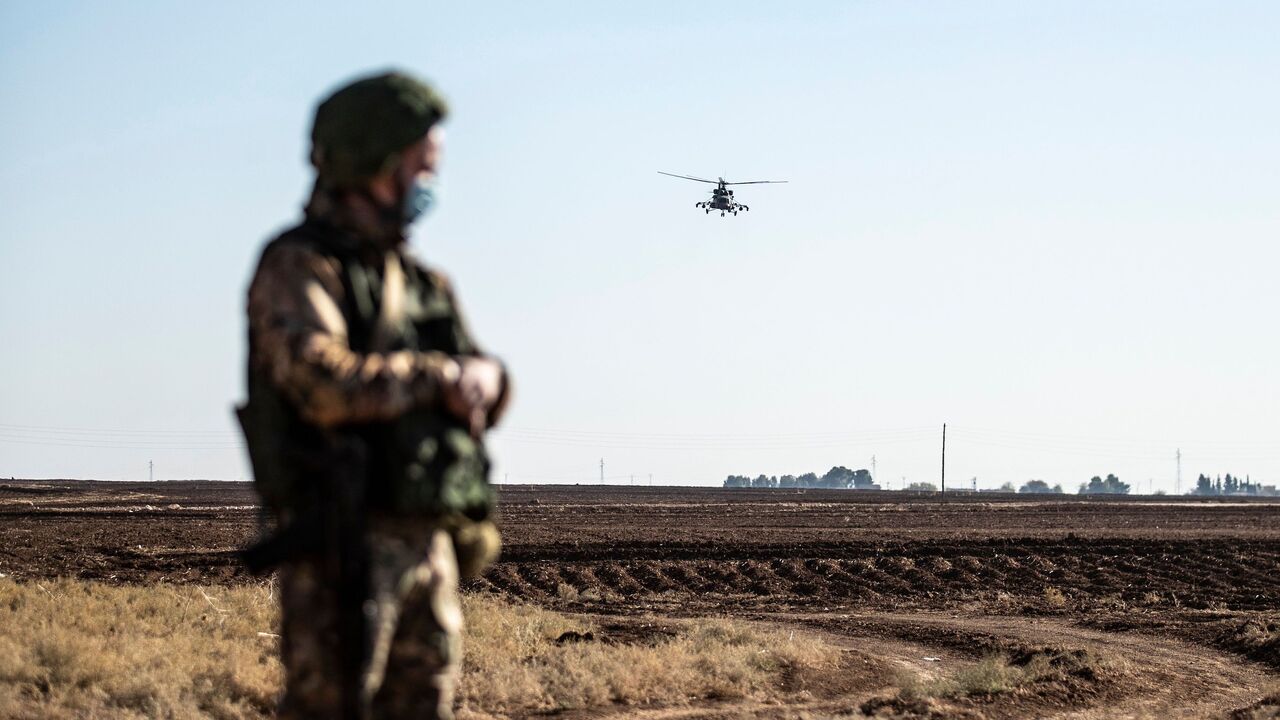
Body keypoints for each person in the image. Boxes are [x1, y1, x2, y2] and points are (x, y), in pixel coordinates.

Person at [238, 70, 509, 720]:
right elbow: (322, 384)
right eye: (420, 167)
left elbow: (480, 374)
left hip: (428, 545)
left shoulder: (422, 282)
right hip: (345, 554)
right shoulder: (302, 267)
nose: (429, 185)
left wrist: (491, 381)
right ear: (374, 165)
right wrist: (439, 379)